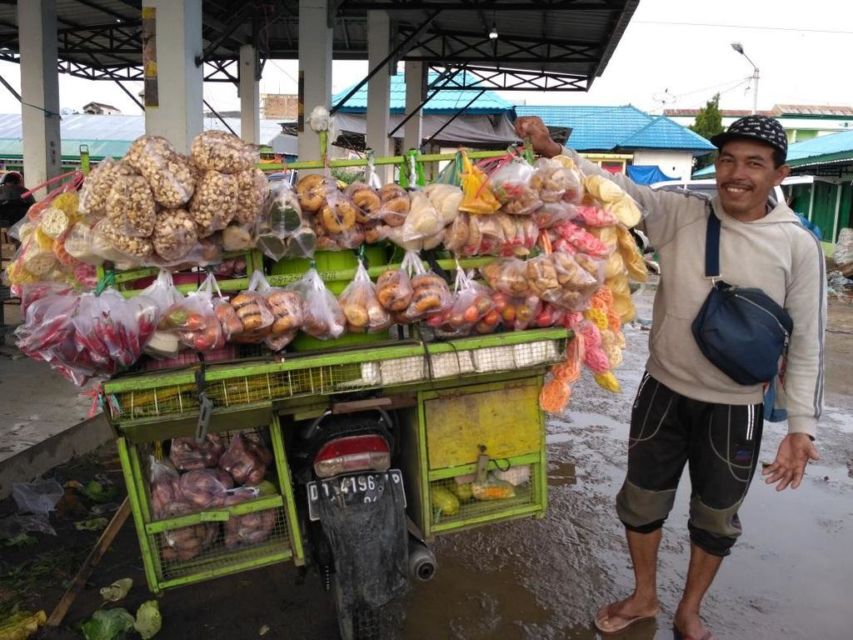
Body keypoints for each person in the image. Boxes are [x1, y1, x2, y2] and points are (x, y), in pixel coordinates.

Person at [516, 115, 824, 640]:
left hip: (736, 406)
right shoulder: (682, 213)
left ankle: (690, 609)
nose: (736, 174)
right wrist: (551, 152)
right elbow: (618, 188)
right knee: (641, 501)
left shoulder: (797, 244)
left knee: (716, 516)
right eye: (727, 160)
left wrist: (801, 426)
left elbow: (810, 338)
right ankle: (644, 596)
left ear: (779, 175)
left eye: (754, 163)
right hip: (664, 389)